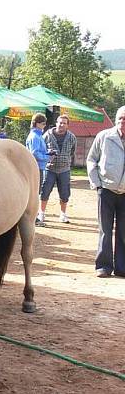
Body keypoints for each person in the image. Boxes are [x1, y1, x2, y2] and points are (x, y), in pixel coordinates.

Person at [86, 106, 125, 278]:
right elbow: (91, 159)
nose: (123, 122)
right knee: (105, 229)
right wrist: (96, 183)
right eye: (120, 118)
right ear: (116, 120)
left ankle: (122, 268)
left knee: (124, 231)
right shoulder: (104, 136)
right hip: (106, 190)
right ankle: (103, 266)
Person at [38, 114, 76, 224]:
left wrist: (67, 161)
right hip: (49, 168)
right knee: (44, 191)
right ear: (56, 123)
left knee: (64, 193)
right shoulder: (47, 135)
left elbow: (72, 152)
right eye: (60, 122)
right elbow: (41, 148)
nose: (61, 125)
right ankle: (41, 213)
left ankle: (63, 214)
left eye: (64, 123)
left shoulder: (72, 137)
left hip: (64, 169)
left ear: (67, 125)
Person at [25, 113, 50, 226]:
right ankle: (32, 217)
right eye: (43, 123)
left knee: (36, 192)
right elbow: (34, 153)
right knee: (35, 193)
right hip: (36, 167)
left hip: (39, 166)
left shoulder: (38, 135)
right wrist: (48, 157)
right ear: (37, 123)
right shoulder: (35, 136)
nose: (44, 125)